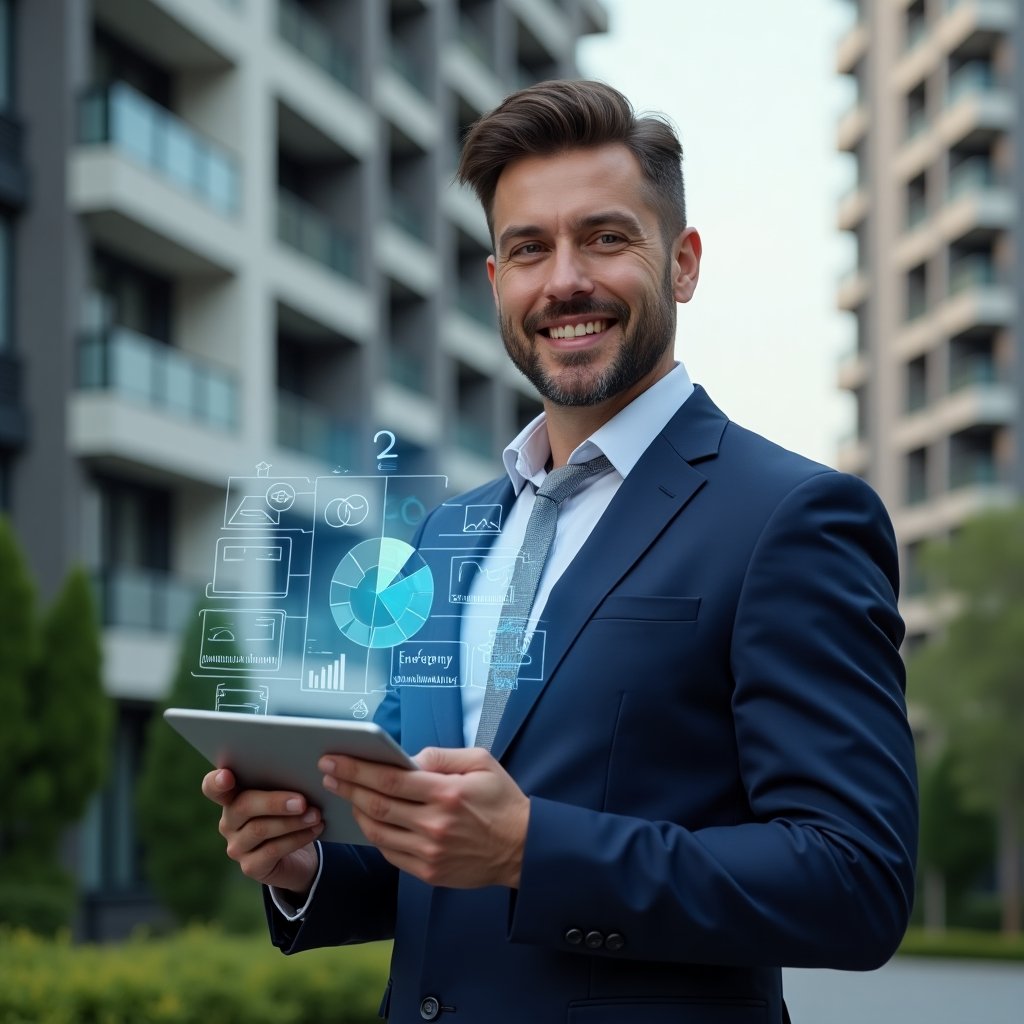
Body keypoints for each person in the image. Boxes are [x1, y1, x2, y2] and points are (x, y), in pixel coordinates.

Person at [202, 80, 917, 1023]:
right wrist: (308, 865)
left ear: (684, 262)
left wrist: (532, 851)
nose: (564, 280)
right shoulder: (444, 535)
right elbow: (431, 841)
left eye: (606, 238)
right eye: (529, 248)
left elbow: (854, 879)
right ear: (497, 282)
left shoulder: (793, 518)